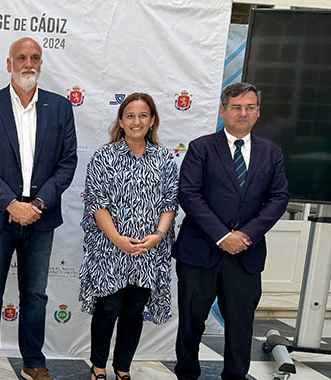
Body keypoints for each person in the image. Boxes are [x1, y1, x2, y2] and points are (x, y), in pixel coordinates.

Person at [0, 37, 78, 380]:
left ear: (41, 64)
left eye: (35, 58)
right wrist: (12, 204)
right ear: (9, 63)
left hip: (41, 217)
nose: (28, 63)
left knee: (36, 294)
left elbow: (67, 162)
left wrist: (38, 204)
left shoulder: (59, 107)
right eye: (21, 58)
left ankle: (33, 361)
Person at [173, 82, 289, 380]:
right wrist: (223, 236)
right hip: (201, 252)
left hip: (246, 255)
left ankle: (236, 376)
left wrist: (246, 235)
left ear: (258, 112)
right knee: (191, 321)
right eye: (236, 107)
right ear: (223, 110)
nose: (243, 113)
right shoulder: (201, 147)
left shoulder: (271, 152)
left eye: (250, 107)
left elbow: (278, 198)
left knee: (241, 325)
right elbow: (189, 194)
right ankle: (186, 374)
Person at [78, 93, 178, 380]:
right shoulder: (104, 156)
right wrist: (118, 239)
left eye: (143, 115)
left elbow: (170, 204)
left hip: (149, 251)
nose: (137, 121)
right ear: (121, 121)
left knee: (134, 312)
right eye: (130, 116)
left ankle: (123, 369)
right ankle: (98, 368)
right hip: (110, 249)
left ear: (152, 121)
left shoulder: (164, 158)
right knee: (107, 309)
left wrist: (158, 236)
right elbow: (97, 203)